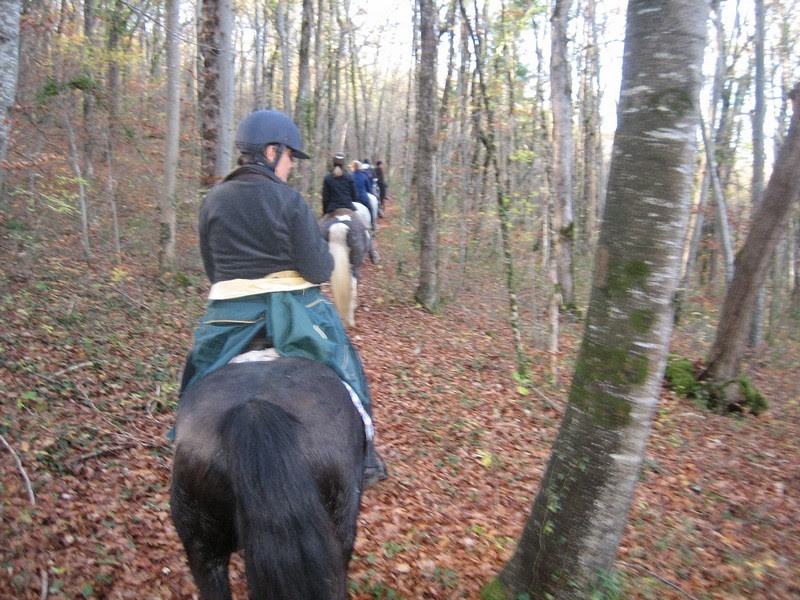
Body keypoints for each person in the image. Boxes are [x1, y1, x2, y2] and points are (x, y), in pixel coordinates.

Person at [177, 109, 387, 486]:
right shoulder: (288, 201)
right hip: (293, 312)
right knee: (346, 359)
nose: (291, 165)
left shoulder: (212, 200)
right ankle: (368, 454)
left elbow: (213, 270)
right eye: (290, 156)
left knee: (196, 367)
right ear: (271, 152)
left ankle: (179, 439)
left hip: (227, 316)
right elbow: (319, 270)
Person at [322, 153, 380, 264]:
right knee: (366, 228)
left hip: (332, 210)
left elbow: (325, 198)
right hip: (349, 209)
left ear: (333, 163)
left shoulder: (328, 177)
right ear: (344, 163)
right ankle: (373, 254)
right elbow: (355, 196)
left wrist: (325, 212)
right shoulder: (349, 176)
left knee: (316, 233)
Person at [352, 160, 380, 231]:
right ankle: (372, 225)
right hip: (363, 198)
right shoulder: (364, 176)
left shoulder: (350, 175)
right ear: (360, 167)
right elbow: (369, 188)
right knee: (370, 208)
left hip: (353, 198)